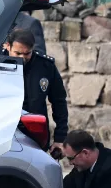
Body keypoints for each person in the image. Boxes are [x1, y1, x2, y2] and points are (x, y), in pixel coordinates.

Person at [4, 28, 67, 156]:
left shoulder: (45, 66)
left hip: (35, 135)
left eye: (27, 53)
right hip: (4, 134)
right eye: (18, 53)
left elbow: (59, 102)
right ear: (8, 46)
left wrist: (60, 138)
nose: (22, 58)